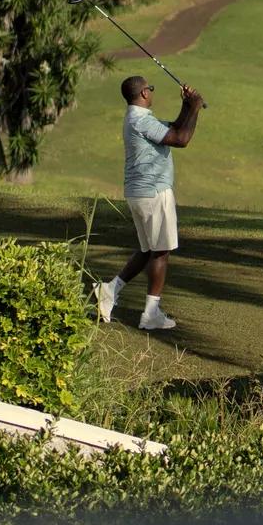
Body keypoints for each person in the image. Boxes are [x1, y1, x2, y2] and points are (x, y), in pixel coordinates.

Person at [95, 74, 203, 332]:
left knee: (147, 250)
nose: (152, 92)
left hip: (139, 192)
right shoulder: (140, 120)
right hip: (153, 192)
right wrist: (196, 108)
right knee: (161, 251)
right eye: (150, 88)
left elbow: (176, 128)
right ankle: (151, 314)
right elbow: (181, 139)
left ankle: (109, 291)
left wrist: (187, 106)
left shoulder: (138, 119)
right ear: (144, 93)